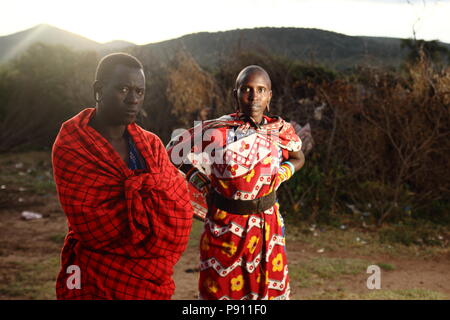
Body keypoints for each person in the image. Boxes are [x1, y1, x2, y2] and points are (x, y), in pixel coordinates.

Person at [52, 52, 193, 299]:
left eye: (139, 92)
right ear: (98, 90)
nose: (133, 100)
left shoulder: (151, 145)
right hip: (95, 275)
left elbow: (177, 207)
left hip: (150, 278)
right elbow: (92, 224)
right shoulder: (73, 144)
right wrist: (144, 209)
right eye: (123, 89)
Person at [167, 65, 305, 300]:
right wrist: (202, 184)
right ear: (236, 94)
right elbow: (172, 152)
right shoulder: (216, 131)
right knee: (220, 293)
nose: (254, 96)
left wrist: (280, 176)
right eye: (247, 89)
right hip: (225, 227)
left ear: (269, 96)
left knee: (266, 294)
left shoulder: (279, 130)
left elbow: (298, 156)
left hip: (268, 226)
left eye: (261, 90)